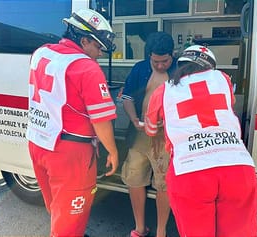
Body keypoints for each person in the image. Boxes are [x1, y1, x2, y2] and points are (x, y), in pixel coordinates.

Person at [144, 45, 257, 237]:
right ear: (210, 66)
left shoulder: (163, 91)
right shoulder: (223, 79)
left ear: (180, 66)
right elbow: (229, 106)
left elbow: (150, 129)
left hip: (190, 171)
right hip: (237, 166)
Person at [26, 9, 119, 237]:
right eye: (97, 47)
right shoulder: (87, 68)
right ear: (84, 39)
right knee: (69, 219)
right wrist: (113, 151)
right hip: (71, 153)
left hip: (39, 141)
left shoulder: (41, 53)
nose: (98, 53)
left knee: (57, 207)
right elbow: (101, 120)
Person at [121, 31, 177, 237]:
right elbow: (127, 98)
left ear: (173, 55)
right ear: (149, 57)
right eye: (156, 61)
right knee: (134, 177)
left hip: (167, 138)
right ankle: (139, 227)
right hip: (140, 134)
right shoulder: (140, 68)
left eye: (165, 61)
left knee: (164, 183)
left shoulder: (181, 71)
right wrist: (135, 119)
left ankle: (161, 231)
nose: (161, 65)